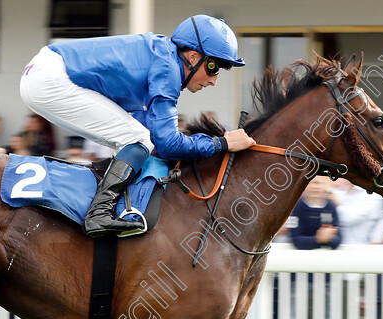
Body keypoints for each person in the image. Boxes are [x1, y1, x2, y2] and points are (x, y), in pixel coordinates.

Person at [20, 14, 255, 237]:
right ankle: (98, 214)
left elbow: (160, 142)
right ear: (193, 57)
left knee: (134, 139)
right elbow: (169, 144)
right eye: (213, 67)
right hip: (50, 79)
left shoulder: (163, 57)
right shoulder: (168, 68)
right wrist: (222, 143)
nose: (214, 80)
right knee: (138, 139)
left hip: (43, 74)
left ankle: (108, 206)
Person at [289, 175, 341, 250]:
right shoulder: (298, 206)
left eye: (318, 183)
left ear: (326, 185)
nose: (315, 187)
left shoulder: (330, 206)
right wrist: (319, 239)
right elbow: (296, 240)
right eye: (311, 183)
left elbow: (337, 239)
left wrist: (330, 238)